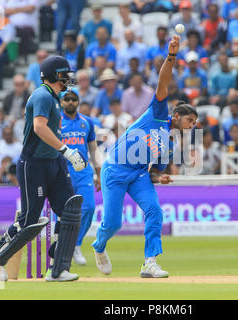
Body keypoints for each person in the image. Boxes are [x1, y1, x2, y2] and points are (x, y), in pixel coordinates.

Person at [92, 35, 198, 278]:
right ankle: (99, 246)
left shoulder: (170, 143)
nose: (192, 126)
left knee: (155, 212)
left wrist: (159, 177)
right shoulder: (158, 112)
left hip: (139, 175)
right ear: (177, 114)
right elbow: (163, 82)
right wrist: (171, 56)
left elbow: (153, 172)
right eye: (190, 120)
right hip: (116, 170)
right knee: (113, 224)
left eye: (194, 123)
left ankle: (149, 262)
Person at [0, 55, 87, 282]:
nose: (67, 78)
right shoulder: (42, 95)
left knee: (70, 211)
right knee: (30, 220)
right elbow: (40, 128)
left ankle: (58, 268)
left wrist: (61, 156)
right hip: (34, 165)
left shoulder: (52, 97)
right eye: (64, 74)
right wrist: (67, 151)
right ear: (54, 75)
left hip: (54, 163)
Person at [59, 88, 102, 266]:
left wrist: (99, 172)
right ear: (61, 102)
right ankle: (61, 246)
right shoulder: (56, 121)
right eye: (66, 99)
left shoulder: (87, 122)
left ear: (78, 101)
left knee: (89, 207)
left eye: (73, 99)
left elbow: (93, 149)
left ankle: (75, 244)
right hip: (62, 170)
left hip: (83, 171)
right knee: (62, 211)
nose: (70, 102)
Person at [5, 0, 38, 64]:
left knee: (25, 32)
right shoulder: (11, 1)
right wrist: (23, 9)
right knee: (7, 33)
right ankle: (11, 58)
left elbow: (31, 8)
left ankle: (23, 56)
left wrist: (15, 10)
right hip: (13, 28)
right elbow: (7, 11)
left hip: (28, 28)